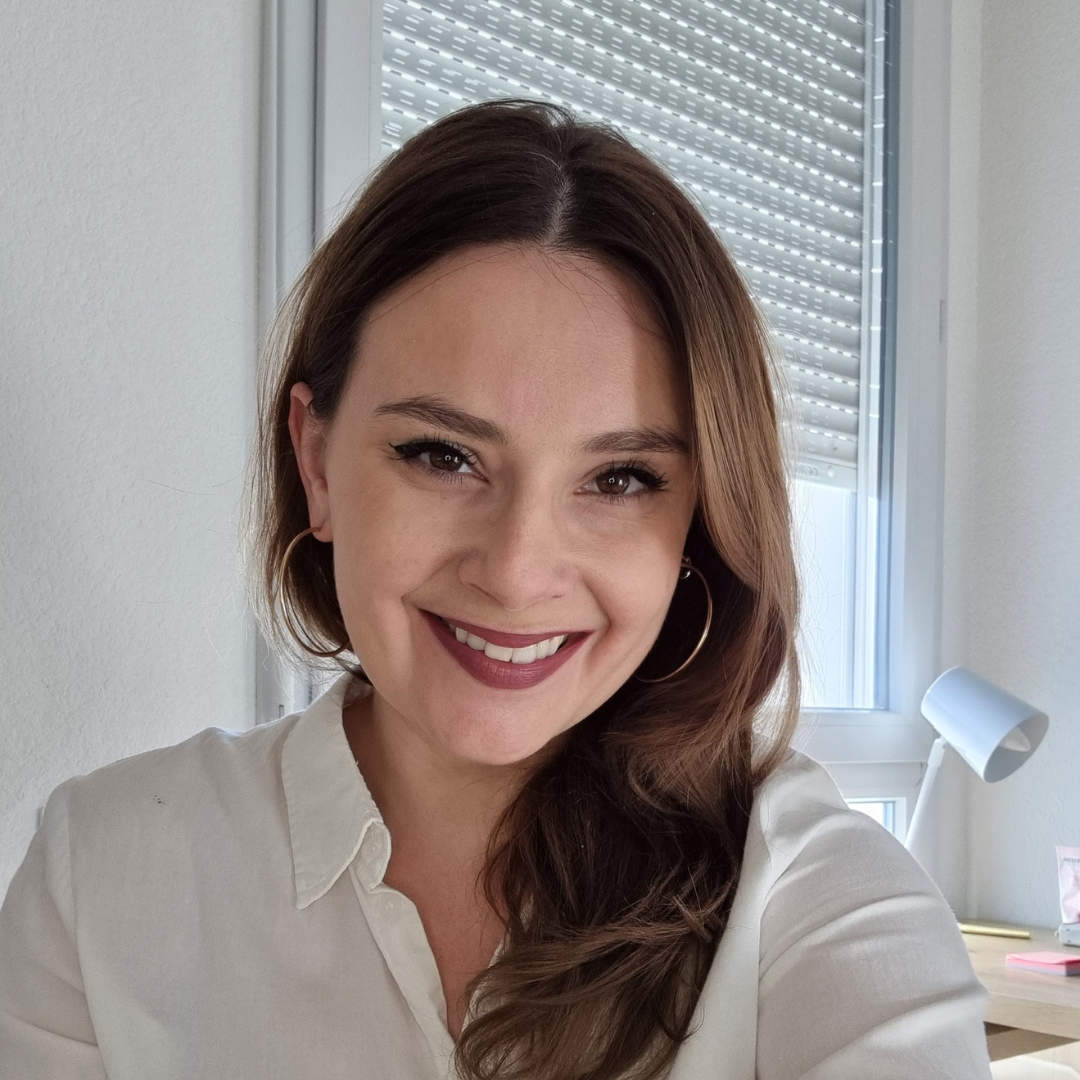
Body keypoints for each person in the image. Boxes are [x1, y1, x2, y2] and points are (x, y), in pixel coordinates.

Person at [0, 100, 992, 1080]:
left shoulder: (817, 898)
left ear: (698, 517)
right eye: (442, 455)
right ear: (316, 463)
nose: (517, 572)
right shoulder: (102, 873)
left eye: (620, 479)